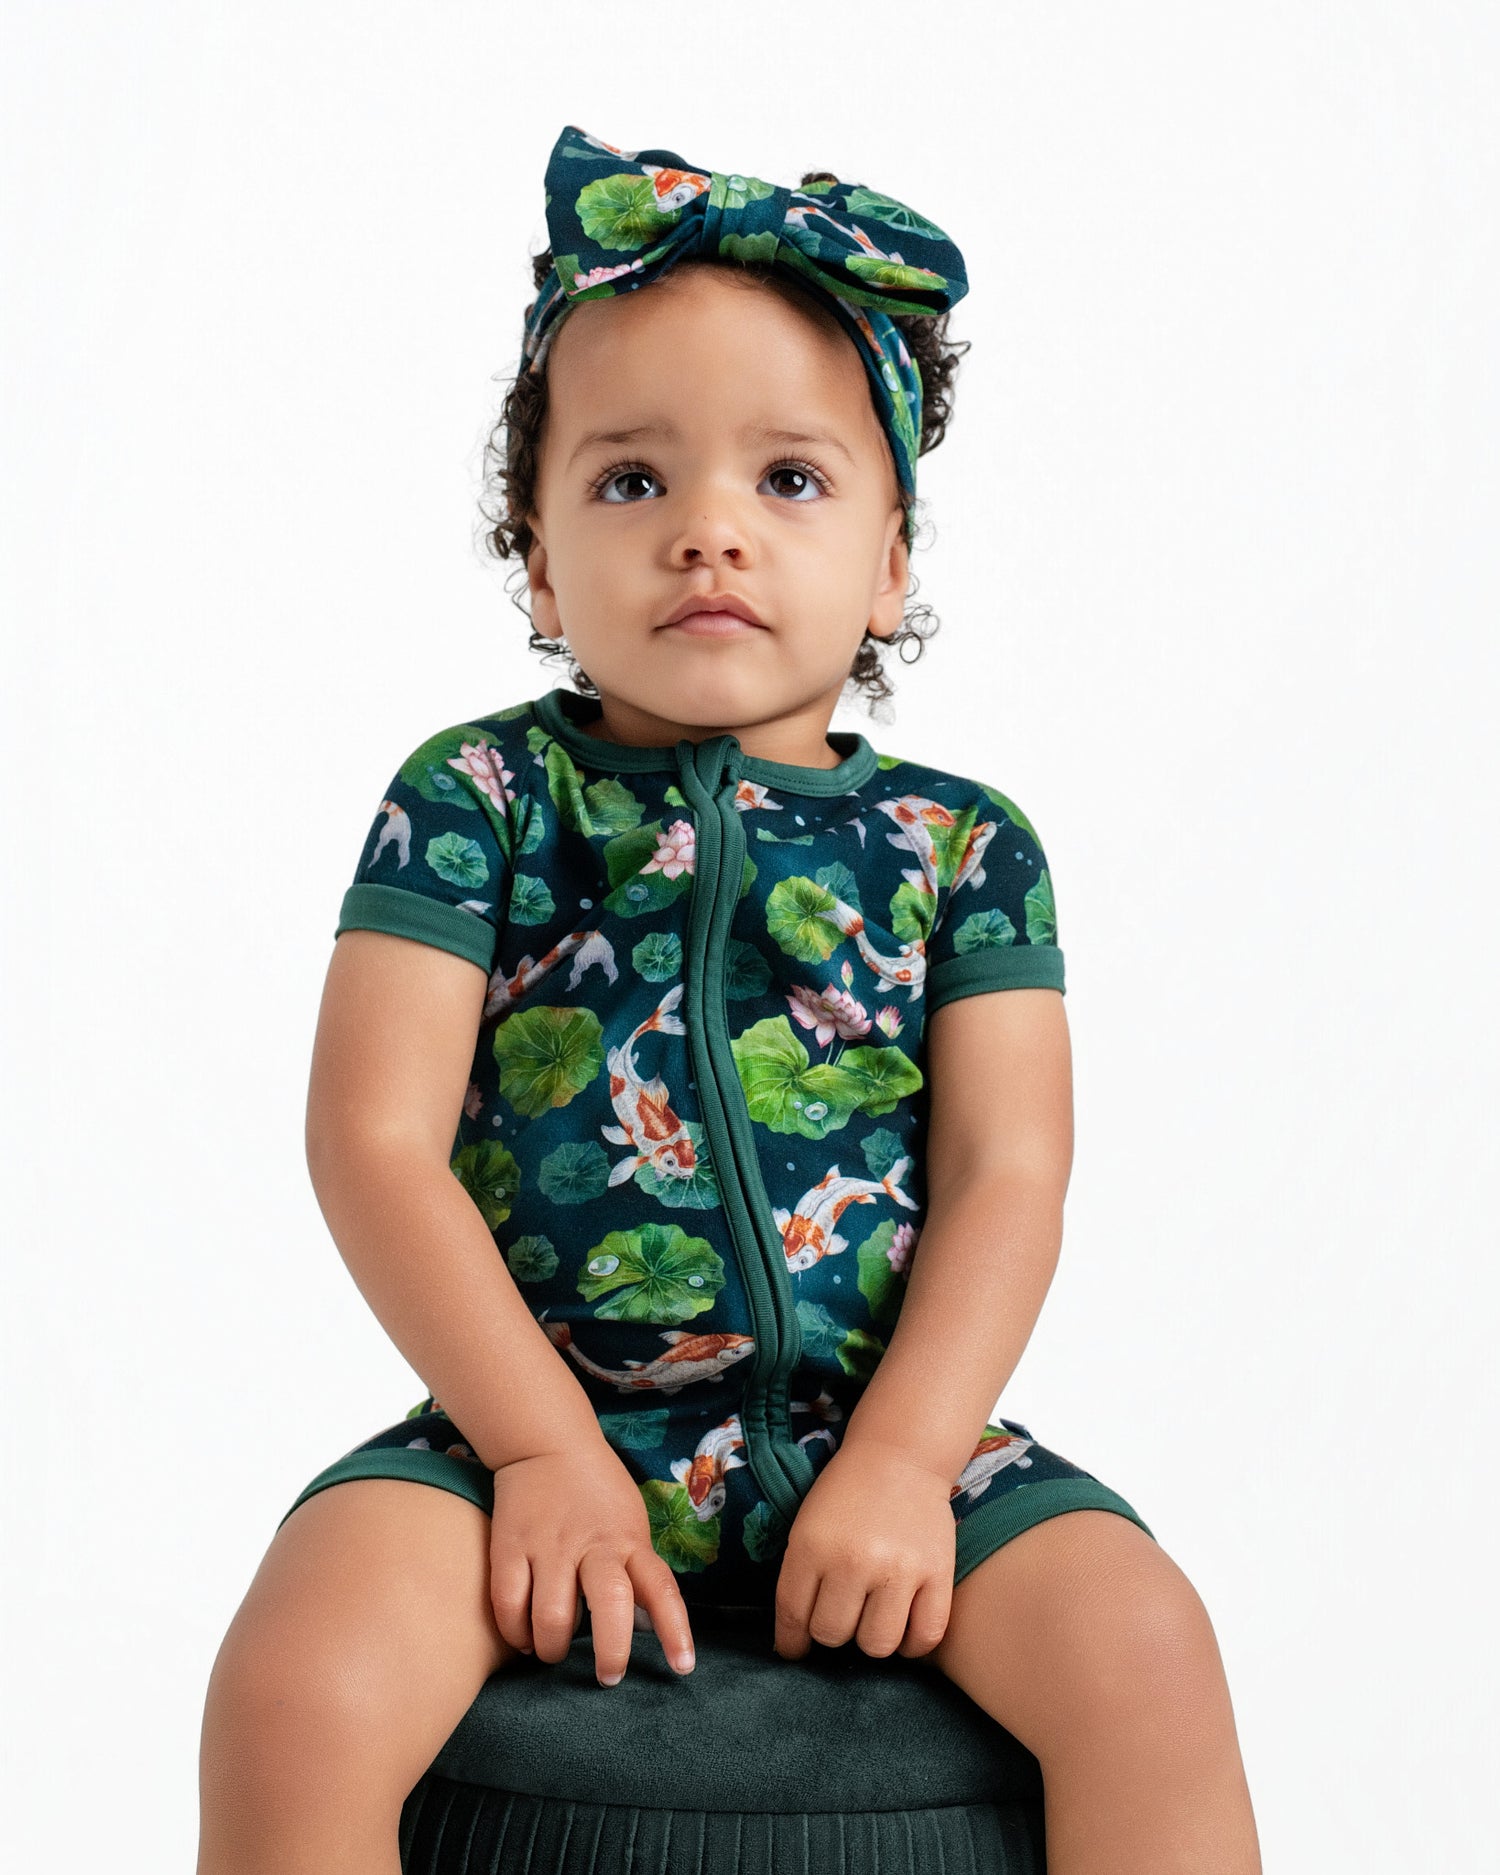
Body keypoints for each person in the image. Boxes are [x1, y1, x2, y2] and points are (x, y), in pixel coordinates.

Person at [196, 125, 1262, 1874]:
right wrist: (537, 1453)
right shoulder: (472, 801)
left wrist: (915, 1461)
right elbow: (371, 1140)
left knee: (1148, 1649)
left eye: (789, 480)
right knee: (293, 1684)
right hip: (527, 1418)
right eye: (629, 483)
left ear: (893, 560)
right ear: (535, 562)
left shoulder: (961, 848)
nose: (707, 532)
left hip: (879, 1421)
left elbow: (1013, 1173)